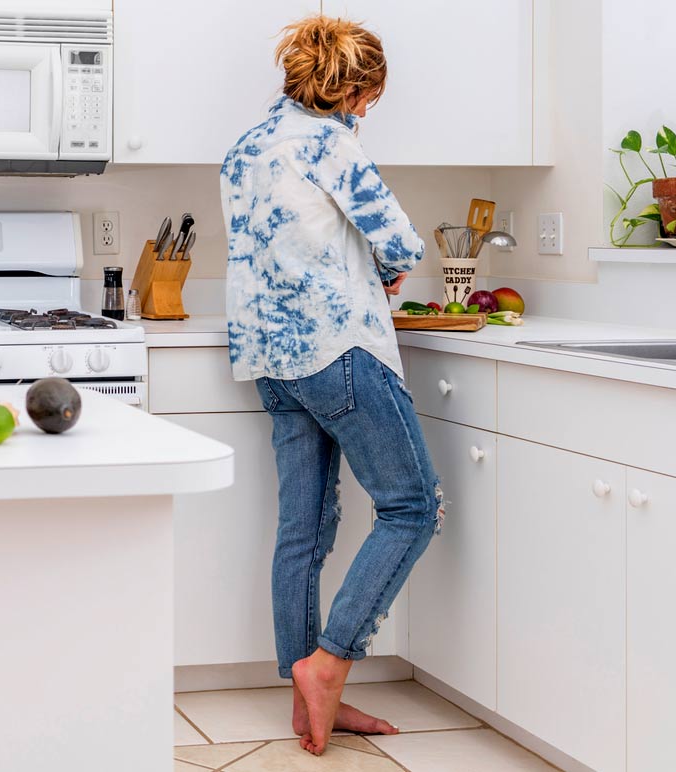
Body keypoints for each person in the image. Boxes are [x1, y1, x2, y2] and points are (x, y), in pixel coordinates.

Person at [219, 15, 443, 757]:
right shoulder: (333, 145)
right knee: (412, 507)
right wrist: (385, 272)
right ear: (361, 89)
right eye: (372, 96)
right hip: (339, 349)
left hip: (272, 364)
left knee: (303, 531)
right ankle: (330, 663)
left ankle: (308, 693)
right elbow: (401, 242)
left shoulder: (244, 149)